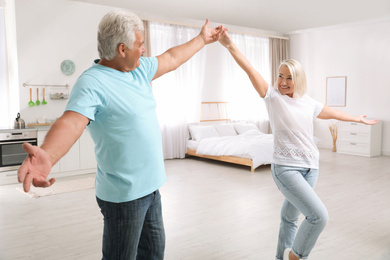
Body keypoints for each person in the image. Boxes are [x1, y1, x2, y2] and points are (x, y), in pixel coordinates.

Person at [18, 10, 224, 260]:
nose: (145, 50)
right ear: (122, 49)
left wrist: (202, 39)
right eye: (140, 44)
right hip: (124, 197)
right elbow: (72, 123)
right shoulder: (92, 83)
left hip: (152, 189)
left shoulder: (138, 69)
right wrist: (48, 155)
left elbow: (171, 57)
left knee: (153, 254)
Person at [218, 30, 378, 260]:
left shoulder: (307, 102)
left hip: (311, 168)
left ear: (298, 79)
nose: (283, 82)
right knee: (318, 216)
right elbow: (251, 70)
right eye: (280, 76)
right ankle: (296, 256)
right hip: (286, 168)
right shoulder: (273, 97)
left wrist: (357, 119)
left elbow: (332, 112)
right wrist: (230, 46)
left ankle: (280, 258)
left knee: (289, 218)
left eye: (289, 77)